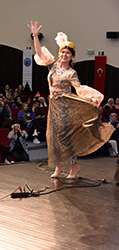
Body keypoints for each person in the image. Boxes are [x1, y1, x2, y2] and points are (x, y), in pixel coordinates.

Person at [29, 21, 114, 178]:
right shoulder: (53, 66)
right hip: (53, 107)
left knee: (65, 138)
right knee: (53, 138)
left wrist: (92, 98)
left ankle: (74, 166)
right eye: (62, 52)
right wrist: (35, 35)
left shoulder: (71, 73)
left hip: (66, 107)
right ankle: (59, 167)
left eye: (67, 53)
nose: (64, 55)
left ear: (72, 56)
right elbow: (39, 53)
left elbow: (79, 88)